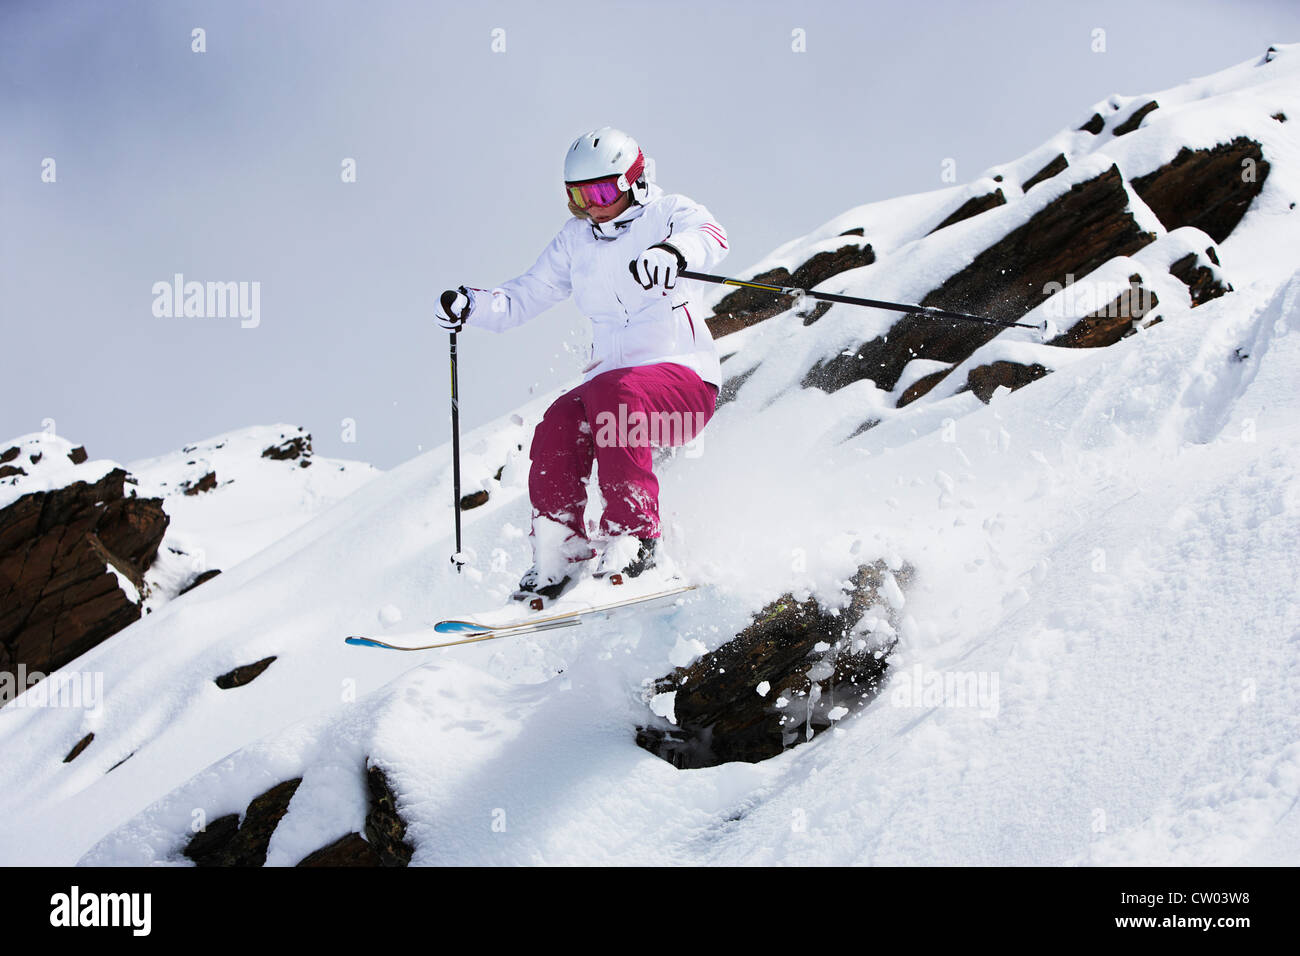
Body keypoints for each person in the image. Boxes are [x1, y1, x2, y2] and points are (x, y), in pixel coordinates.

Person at [436, 126, 728, 600]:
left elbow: (712, 236)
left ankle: (637, 539)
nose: (590, 205)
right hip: (614, 396)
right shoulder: (577, 241)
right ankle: (559, 553)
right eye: (577, 195)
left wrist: (674, 252)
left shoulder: (668, 213)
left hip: (685, 387)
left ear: (633, 181)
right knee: (558, 422)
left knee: (612, 392)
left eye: (600, 191)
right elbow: (524, 295)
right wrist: (472, 304)